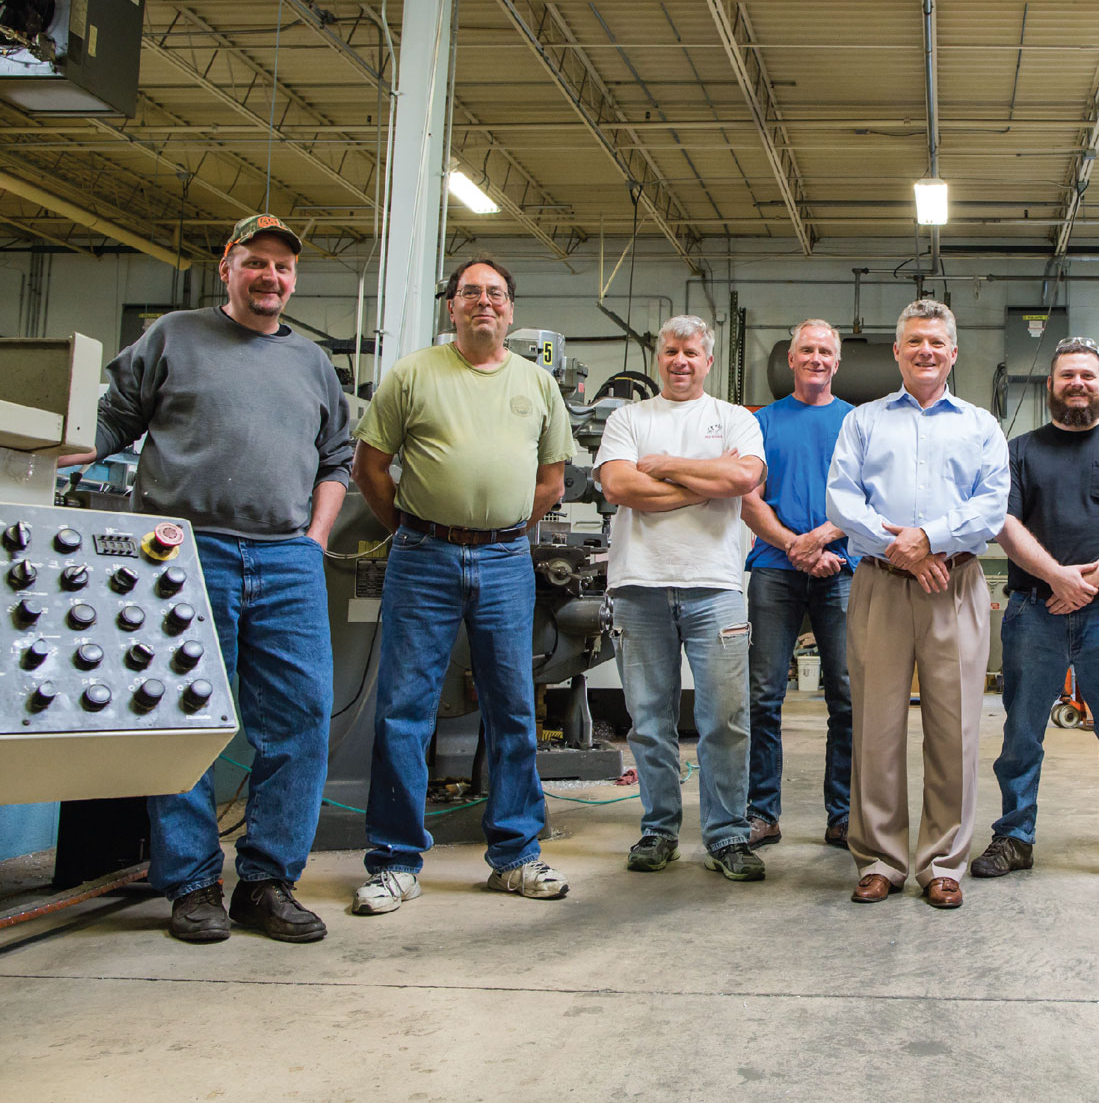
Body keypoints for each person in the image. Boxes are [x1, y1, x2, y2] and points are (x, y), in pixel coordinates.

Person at [68, 212, 351, 944]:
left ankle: (266, 880)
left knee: (300, 720)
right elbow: (111, 422)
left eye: (284, 268)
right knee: (184, 720)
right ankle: (192, 884)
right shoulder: (174, 336)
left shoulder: (313, 363)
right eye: (256, 262)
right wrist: (38, 450)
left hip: (287, 560)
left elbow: (336, 460)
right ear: (228, 266)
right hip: (183, 555)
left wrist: (314, 540)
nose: (271, 278)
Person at [349, 256, 573, 914]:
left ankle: (516, 856)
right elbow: (370, 467)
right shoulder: (414, 373)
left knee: (514, 712)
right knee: (403, 711)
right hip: (423, 556)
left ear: (510, 309)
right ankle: (394, 863)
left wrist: (499, 530)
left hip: (505, 560)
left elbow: (551, 482)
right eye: (471, 291)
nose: (484, 302)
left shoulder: (537, 382)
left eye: (496, 293)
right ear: (451, 306)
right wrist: (418, 527)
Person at [972, 337, 1099, 886]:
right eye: (1067, 376)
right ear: (1051, 387)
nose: (1078, 384)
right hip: (1034, 611)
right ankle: (1014, 836)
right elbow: (1003, 525)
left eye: (1088, 375)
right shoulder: (1019, 451)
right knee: (1021, 732)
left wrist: (1090, 580)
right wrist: (1057, 577)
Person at [826, 299, 1008, 910]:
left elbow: (991, 506)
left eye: (937, 342)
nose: (926, 351)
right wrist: (902, 549)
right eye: (914, 342)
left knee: (954, 728)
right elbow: (841, 501)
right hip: (880, 582)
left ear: (953, 353)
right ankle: (880, 858)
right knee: (874, 727)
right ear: (897, 352)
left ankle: (943, 861)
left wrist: (930, 540)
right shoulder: (863, 422)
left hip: (953, 583)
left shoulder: (981, 425)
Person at [595, 315, 768, 881]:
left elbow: (742, 481)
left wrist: (667, 468)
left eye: (691, 352)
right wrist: (704, 485)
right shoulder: (628, 417)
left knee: (725, 719)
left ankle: (728, 836)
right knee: (648, 720)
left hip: (715, 587)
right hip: (639, 585)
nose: (680, 361)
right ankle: (659, 830)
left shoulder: (735, 419)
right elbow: (620, 486)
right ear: (659, 355)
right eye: (670, 351)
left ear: (708, 360)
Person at [740, 320, 856, 851]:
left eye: (825, 351)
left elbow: (869, 500)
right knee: (763, 696)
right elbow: (749, 500)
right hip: (774, 570)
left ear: (837, 361)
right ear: (791, 358)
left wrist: (825, 543)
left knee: (848, 697)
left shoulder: (857, 423)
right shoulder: (761, 422)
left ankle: (845, 814)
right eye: (806, 349)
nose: (816, 358)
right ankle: (762, 812)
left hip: (842, 571)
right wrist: (795, 546)